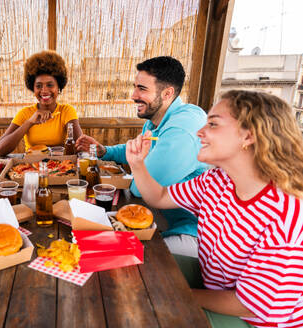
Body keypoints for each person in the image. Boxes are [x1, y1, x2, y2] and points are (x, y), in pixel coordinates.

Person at [126, 90, 303, 327]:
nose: (200, 131)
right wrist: (137, 165)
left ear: (248, 136)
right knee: (132, 268)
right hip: (213, 285)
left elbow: (249, 304)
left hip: (255, 320)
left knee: (144, 307)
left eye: (213, 124)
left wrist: (171, 292)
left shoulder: (285, 214)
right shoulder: (217, 180)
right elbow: (159, 196)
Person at [76, 56, 207, 258]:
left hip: (192, 232)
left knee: (106, 254)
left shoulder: (183, 128)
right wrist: (105, 151)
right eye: (135, 87)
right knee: (88, 237)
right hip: (158, 214)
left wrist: (136, 169)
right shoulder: (157, 121)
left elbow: (141, 188)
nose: (133, 95)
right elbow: (136, 151)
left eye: (142, 89)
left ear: (167, 93)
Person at [0, 50, 82, 156]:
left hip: (60, 167)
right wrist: (29, 122)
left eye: (50, 85)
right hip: (30, 168)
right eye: (39, 86)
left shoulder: (66, 111)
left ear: (59, 87)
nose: (44, 90)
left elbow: (79, 146)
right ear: (33, 88)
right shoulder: (25, 113)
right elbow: (0, 150)